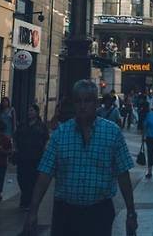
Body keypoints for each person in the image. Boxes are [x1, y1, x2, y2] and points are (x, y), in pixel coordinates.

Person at [20, 80, 137, 236]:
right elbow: (44, 174)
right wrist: (33, 211)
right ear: (73, 104)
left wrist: (131, 212)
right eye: (78, 101)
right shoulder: (61, 134)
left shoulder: (112, 133)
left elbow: (123, 174)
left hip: (99, 213)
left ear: (96, 103)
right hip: (65, 213)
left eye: (87, 101)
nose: (82, 106)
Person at [13, 104, 49, 210]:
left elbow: (46, 139)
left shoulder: (41, 126)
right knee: (22, 178)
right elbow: (16, 136)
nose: (30, 113)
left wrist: (44, 151)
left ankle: (27, 201)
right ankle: (25, 198)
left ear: (37, 113)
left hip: (36, 157)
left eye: (32, 111)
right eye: (29, 111)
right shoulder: (23, 125)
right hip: (23, 156)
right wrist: (15, 148)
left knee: (32, 179)